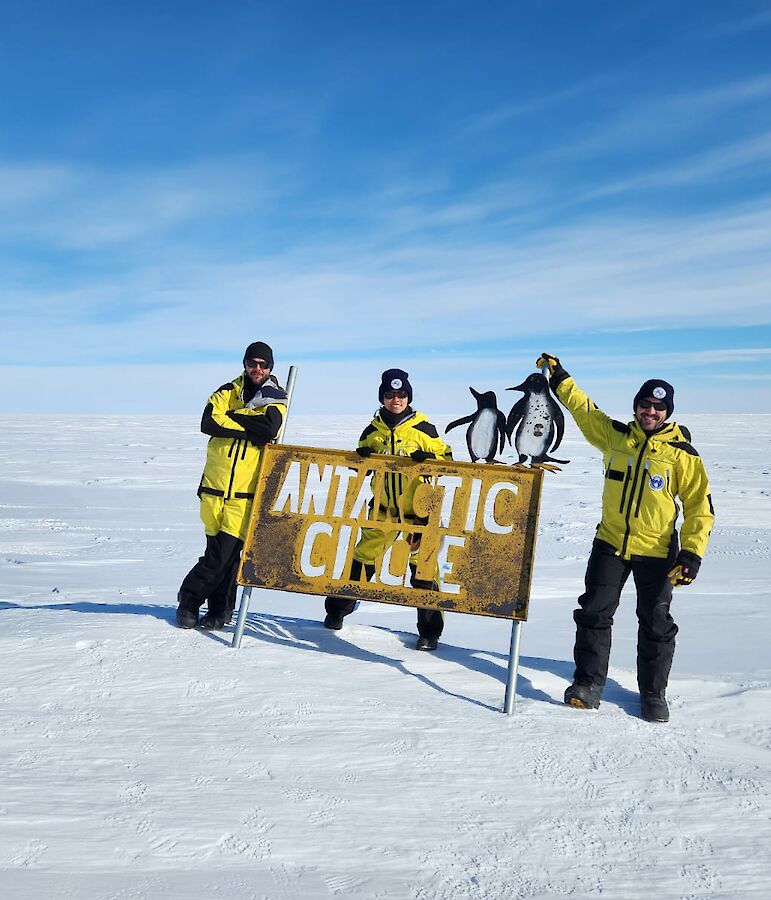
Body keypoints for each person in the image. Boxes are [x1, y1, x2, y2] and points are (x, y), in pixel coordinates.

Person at [537, 353, 714, 723]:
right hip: (611, 544)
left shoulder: (683, 456)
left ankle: (653, 693)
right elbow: (585, 411)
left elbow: (700, 507)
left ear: (667, 412)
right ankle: (586, 684)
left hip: (658, 551)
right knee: (593, 615)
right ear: (636, 406)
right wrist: (559, 378)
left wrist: (692, 554)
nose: (650, 411)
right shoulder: (617, 438)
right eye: (645, 404)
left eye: (658, 407)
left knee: (655, 622)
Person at [323, 368, 453, 651]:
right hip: (383, 509)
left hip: (420, 513)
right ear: (382, 397)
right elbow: (359, 459)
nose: (396, 399)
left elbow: (448, 459)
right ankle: (337, 609)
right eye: (390, 394)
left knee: (424, 568)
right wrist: (360, 460)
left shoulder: (424, 429)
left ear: (409, 396)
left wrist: (428, 459)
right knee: (362, 557)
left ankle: (430, 632)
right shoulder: (372, 431)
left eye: (402, 394)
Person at [176, 342, 288, 630]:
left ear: (271, 367)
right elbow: (208, 422)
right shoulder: (227, 391)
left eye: (263, 364)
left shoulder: (276, 397)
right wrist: (249, 421)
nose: (257, 369)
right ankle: (220, 612)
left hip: (244, 494)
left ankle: (188, 599)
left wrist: (233, 417)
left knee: (223, 554)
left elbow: (269, 429)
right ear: (245, 363)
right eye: (253, 363)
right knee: (221, 555)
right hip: (213, 488)